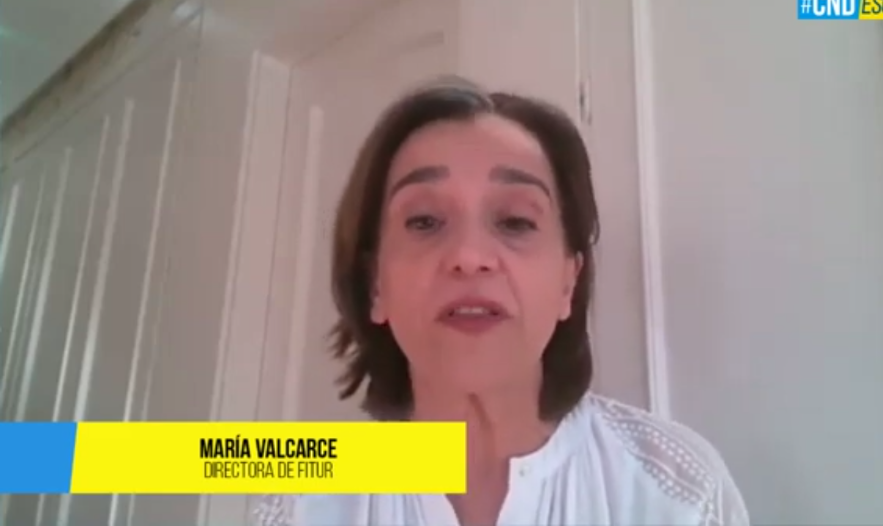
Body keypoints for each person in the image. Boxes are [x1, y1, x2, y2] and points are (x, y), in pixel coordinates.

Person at [251, 76, 749, 525]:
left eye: (515, 221)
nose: (469, 258)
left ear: (568, 283)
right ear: (375, 285)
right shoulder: (300, 503)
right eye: (424, 221)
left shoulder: (679, 493)